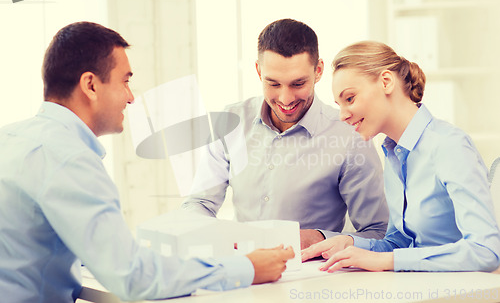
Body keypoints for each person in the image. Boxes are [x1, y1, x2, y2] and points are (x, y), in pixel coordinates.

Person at [0, 21, 294, 303]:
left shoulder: (11, 138)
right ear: (90, 85)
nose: (130, 98)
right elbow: (131, 276)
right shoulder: (69, 159)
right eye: (125, 81)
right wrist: (246, 268)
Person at [182, 18, 389, 249]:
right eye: (273, 84)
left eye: (298, 83)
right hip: (243, 270)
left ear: (318, 70)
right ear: (259, 71)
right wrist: (212, 237)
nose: (285, 99)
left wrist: (319, 238)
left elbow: (379, 232)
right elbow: (199, 203)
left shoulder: (350, 136)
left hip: (312, 275)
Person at [301, 40, 500, 272]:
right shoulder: (393, 153)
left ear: (386, 82)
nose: (343, 115)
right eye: (339, 104)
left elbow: (486, 251)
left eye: (350, 99)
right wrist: (351, 243)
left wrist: (388, 261)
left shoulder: (448, 145)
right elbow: (401, 243)